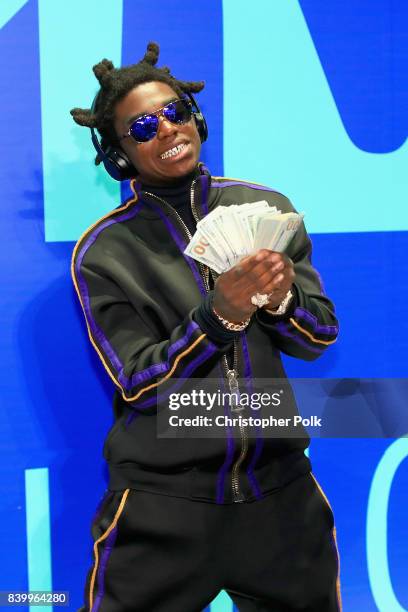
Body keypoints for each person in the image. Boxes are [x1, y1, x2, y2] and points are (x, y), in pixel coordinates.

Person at [70, 42, 341, 612]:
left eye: (175, 112)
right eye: (143, 127)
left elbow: (319, 338)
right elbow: (139, 384)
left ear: (196, 118)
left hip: (281, 499)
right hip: (161, 508)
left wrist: (280, 300)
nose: (167, 130)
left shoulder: (267, 206)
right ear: (119, 155)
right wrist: (219, 318)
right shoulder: (104, 251)